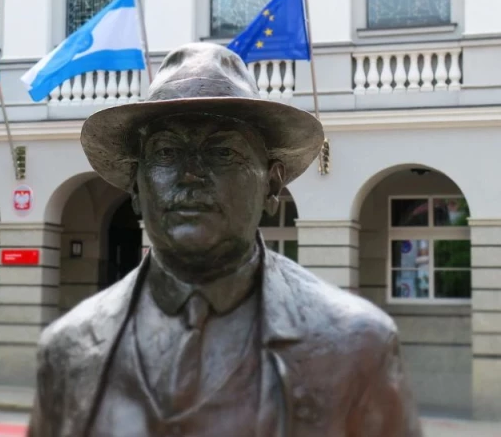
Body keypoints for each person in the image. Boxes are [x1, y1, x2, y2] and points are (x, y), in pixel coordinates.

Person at [27, 43, 422, 437]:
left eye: (221, 153)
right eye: (166, 152)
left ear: (271, 185)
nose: (190, 176)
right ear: (135, 186)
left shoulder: (357, 346)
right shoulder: (68, 349)